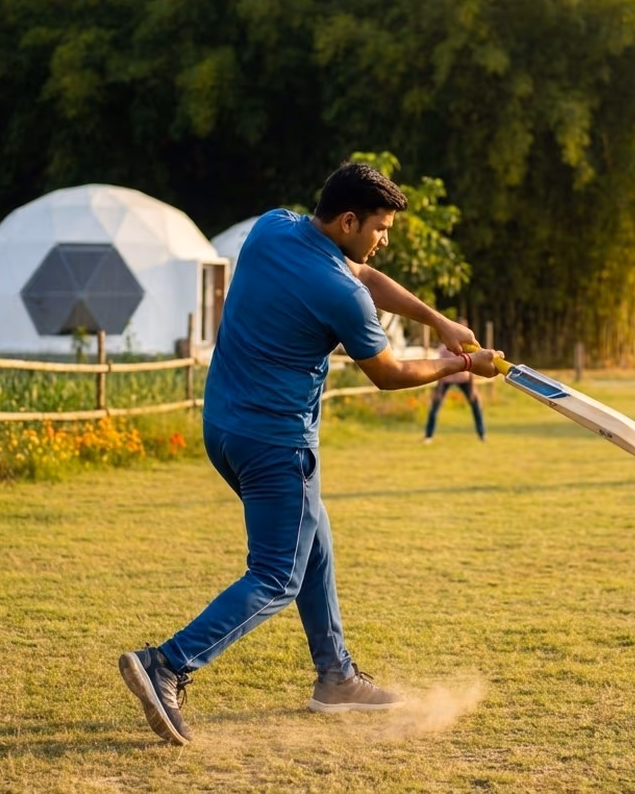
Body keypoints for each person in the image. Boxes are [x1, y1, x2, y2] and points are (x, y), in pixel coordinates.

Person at [118, 162, 502, 746]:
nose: (383, 240)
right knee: (276, 575)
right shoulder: (340, 292)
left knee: (314, 542)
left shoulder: (273, 228)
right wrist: (459, 364)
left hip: (223, 428)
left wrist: (438, 322)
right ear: (349, 220)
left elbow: (362, 277)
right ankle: (167, 663)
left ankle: (337, 677)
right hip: (277, 443)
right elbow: (389, 373)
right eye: (379, 229)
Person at [423, 323, 487, 443]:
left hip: (464, 379)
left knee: (476, 404)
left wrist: (473, 388)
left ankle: (482, 435)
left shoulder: (469, 348)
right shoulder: (444, 348)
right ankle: (428, 436)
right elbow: (440, 367)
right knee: (435, 405)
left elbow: (472, 368)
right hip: (446, 379)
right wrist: (439, 389)